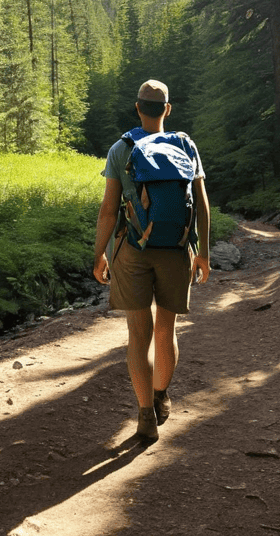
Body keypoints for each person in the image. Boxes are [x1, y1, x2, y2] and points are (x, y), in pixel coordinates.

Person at [92, 79, 211, 443]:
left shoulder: (120, 149)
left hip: (134, 252)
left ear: (137, 107)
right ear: (168, 110)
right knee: (166, 329)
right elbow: (203, 205)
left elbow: (109, 212)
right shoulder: (186, 145)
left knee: (138, 333)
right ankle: (161, 396)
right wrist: (203, 252)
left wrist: (100, 254)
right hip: (176, 250)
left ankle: (145, 415)